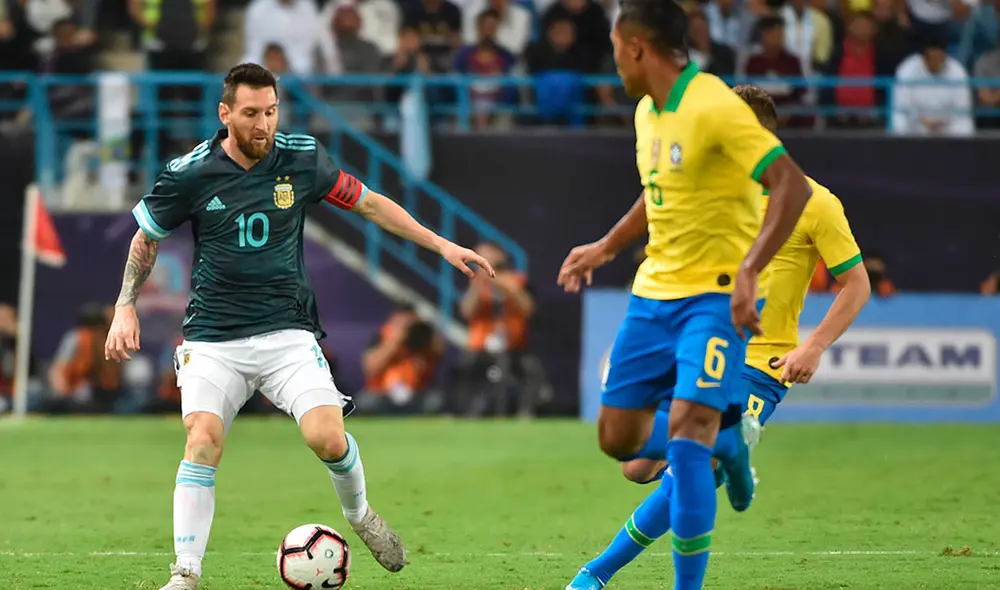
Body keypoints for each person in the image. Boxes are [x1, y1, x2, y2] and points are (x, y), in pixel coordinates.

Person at [103, 63, 494, 590]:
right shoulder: (189, 173)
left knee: (328, 438)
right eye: (250, 114)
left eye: (270, 111)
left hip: (287, 333)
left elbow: (371, 205)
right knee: (202, 439)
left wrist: (442, 244)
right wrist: (126, 304)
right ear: (225, 115)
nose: (262, 124)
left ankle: (360, 516)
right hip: (213, 339)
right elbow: (146, 238)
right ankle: (186, 574)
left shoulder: (302, 159)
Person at [570, 84, 872, 589]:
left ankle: (595, 574)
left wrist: (814, 344)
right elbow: (657, 202)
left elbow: (856, 283)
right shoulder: (708, 187)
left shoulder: (815, 202)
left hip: (761, 365)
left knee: (692, 461)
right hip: (699, 342)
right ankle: (731, 445)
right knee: (636, 465)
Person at [556, 0, 813, 587]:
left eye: (616, 47)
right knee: (618, 442)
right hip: (654, 294)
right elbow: (656, 195)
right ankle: (729, 439)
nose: (612, 60)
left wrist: (750, 270)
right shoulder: (649, 113)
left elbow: (790, 185)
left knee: (686, 440)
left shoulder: (716, 106)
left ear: (637, 46)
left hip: (716, 295)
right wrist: (606, 247)